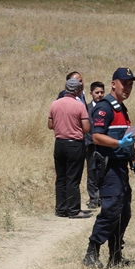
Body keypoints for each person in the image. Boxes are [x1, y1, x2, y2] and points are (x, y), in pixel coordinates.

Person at [83, 68, 135, 268]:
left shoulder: (122, 108)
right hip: (108, 167)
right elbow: (96, 136)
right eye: (124, 83)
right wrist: (119, 145)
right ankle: (91, 253)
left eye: (130, 84)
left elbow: (127, 138)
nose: (127, 88)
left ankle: (116, 255)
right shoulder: (105, 108)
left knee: (124, 212)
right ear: (114, 84)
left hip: (120, 167)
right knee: (111, 211)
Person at [48, 77, 92, 218]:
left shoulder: (54, 104)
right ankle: (74, 210)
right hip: (74, 144)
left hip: (59, 143)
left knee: (61, 177)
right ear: (78, 90)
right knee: (73, 178)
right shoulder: (79, 106)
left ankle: (61, 209)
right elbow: (86, 128)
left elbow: (50, 125)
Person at [86, 81, 106, 209]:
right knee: (92, 172)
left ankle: (104, 197)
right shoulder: (86, 108)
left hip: (104, 144)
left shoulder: (106, 107)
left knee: (104, 171)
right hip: (91, 144)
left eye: (101, 92)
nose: (99, 95)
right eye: (97, 92)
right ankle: (93, 198)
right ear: (91, 93)